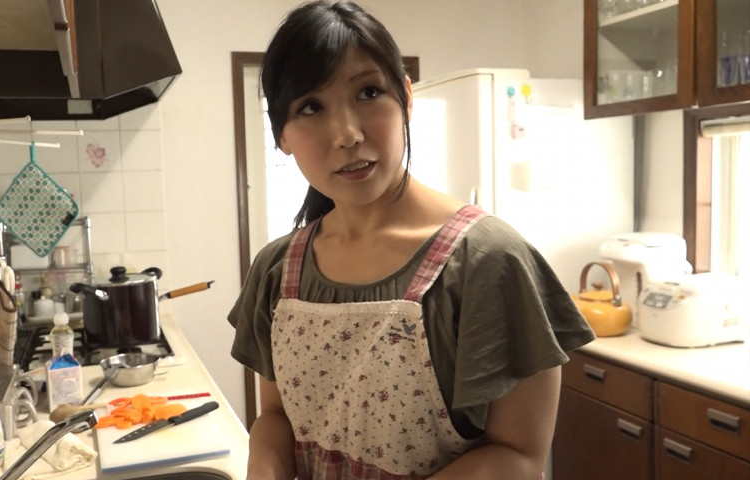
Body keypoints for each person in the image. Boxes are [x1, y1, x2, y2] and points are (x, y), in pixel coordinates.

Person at [227, 1, 595, 478]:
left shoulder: (489, 262)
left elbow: (519, 454)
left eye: (368, 92)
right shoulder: (278, 270)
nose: (347, 134)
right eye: (311, 107)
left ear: (405, 97)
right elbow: (277, 417)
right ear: (282, 135)